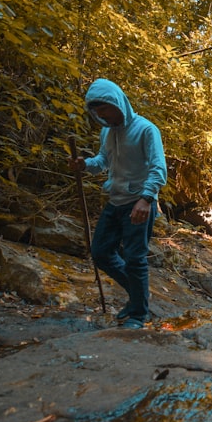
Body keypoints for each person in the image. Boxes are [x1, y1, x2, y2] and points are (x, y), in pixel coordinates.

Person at [70, 78, 167, 329]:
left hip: (139, 203)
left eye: (106, 111)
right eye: (98, 113)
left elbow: (159, 169)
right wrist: (85, 165)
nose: (103, 117)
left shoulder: (146, 130)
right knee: (100, 252)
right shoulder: (107, 132)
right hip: (115, 201)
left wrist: (146, 199)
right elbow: (103, 160)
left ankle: (138, 314)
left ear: (118, 103)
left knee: (135, 258)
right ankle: (138, 296)